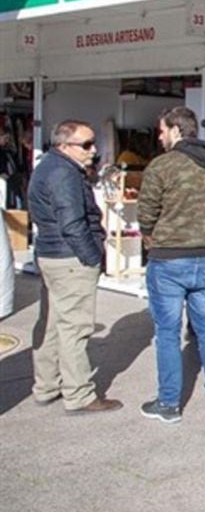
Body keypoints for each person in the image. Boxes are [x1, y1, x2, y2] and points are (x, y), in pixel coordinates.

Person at [138, 107, 205, 424]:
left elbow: (146, 212)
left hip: (168, 258)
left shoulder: (162, 166)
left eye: (162, 130)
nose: (160, 136)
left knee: (167, 332)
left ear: (177, 130)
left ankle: (169, 403)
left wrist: (151, 236)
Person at [27, 120, 121, 413]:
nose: (93, 151)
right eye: (86, 145)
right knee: (74, 327)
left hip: (53, 254)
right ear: (64, 145)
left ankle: (47, 386)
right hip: (69, 258)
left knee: (53, 323)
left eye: (94, 144)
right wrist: (92, 255)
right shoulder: (63, 173)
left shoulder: (50, 168)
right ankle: (79, 394)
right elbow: (72, 222)